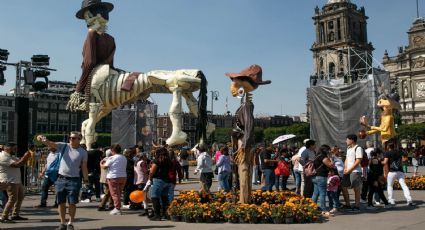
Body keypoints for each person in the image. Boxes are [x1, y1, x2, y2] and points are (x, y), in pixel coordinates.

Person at [37, 132, 89, 230]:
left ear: (79, 139)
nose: (70, 139)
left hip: (74, 179)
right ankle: (62, 223)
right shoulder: (64, 146)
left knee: (72, 203)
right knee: (61, 202)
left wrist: (86, 180)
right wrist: (44, 139)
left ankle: (71, 223)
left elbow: (84, 167)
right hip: (61, 178)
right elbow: (51, 144)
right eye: (70, 137)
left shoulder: (83, 152)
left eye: (73, 138)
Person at [0, 142, 32, 223]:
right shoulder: (3, 157)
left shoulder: (11, 156)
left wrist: (26, 157)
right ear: (7, 148)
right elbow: (17, 164)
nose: (15, 150)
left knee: (20, 197)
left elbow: (21, 161)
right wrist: (26, 156)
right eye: (14, 148)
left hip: (16, 181)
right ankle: (4, 217)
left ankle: (15, 215)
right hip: (9, 181)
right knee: (12, 199)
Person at [384, 142, 415, 206]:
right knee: (404, 185)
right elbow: (405, 156)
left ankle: (391, 200)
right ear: (394, 146)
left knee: (390, 186)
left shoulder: (387, 153)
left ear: (388, 147)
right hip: (400, 171)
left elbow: (385, 162)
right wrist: (402, 161)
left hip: (392, 172)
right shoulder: (399, 151)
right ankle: (409, 199)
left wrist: (378, 161)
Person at [100, 144, 127, 215]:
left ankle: (117, 208)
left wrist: (101, 164)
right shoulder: (124, 157)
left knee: (114, 193)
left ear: (112, 150)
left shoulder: (112, 158)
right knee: (119, 193)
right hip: (123, 176)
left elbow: (104, 167)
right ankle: (117, 207)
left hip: (113, 177)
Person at [147, 147, 172, 221]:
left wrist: (150, 177)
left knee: (155, 197)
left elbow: (152, 171)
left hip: (158, 180)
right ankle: (165, 214)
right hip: (167, 180)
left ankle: (157, 215)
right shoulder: (168, 160)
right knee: (164, 198)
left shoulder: (157, 160)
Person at [341, 134, 363, 212]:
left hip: (355, 171)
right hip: (347, 171)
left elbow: (358, 160)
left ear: (352, 140)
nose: (346, 141)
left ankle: (357, 206)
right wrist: (345, 168)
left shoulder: (358, 148)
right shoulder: (349, 148)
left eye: (347, 139)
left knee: (356, 189)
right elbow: (347, 159)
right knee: (343, 187)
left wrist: (350, 169)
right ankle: (348, 204)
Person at [312, 145, 333, 216]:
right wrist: (331, 157)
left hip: (315, 177)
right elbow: (330, 165)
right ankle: (323, 209)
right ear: (325, 150)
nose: (329, 151)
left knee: (315, 193)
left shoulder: (317, 156)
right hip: (321, 177)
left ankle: (312, 207)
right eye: (328, 150)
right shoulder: (323, 156)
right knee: (322, 194)